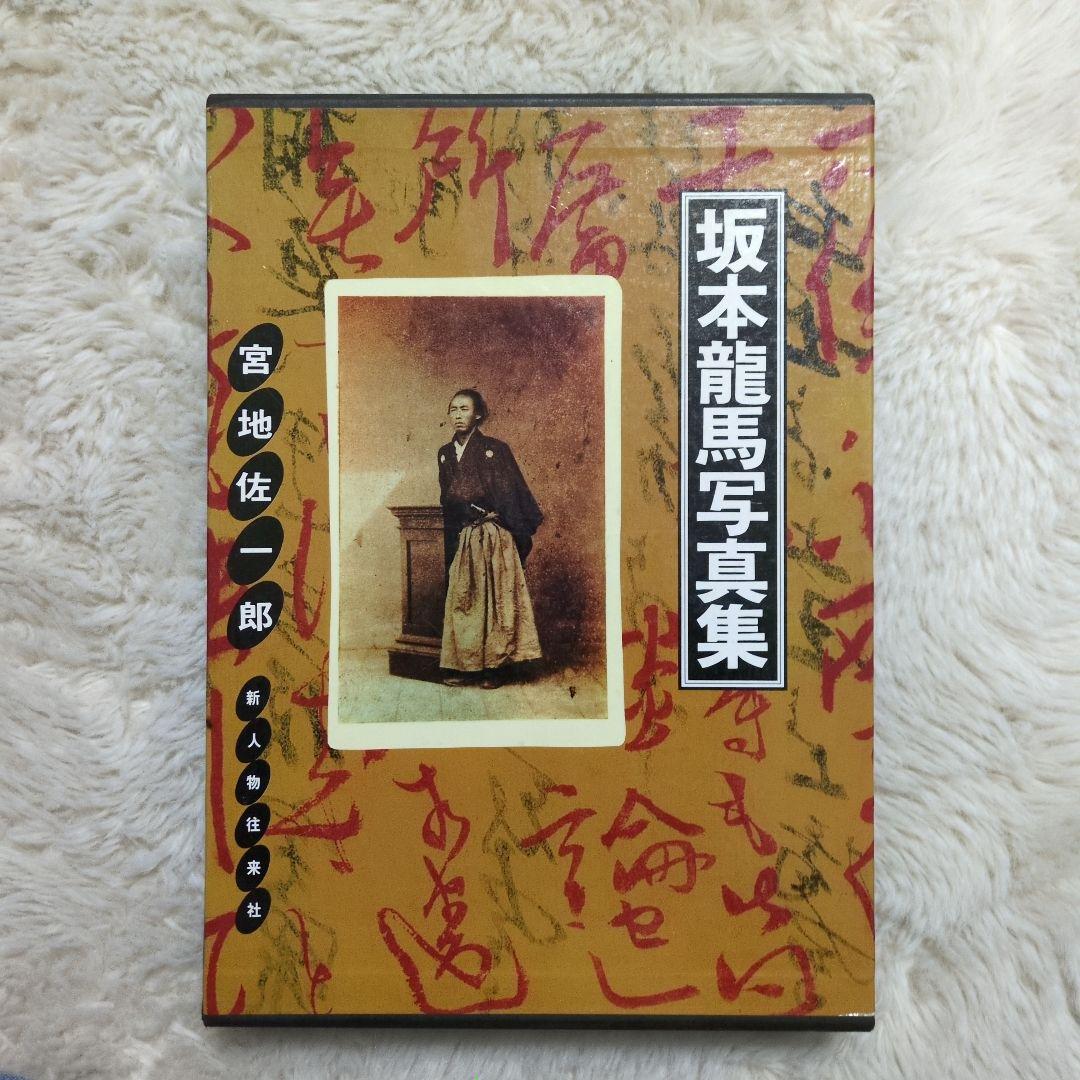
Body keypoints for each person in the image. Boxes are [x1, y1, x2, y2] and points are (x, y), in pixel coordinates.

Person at [436, 389, 543, 688]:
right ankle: (466, 665)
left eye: (465, 409)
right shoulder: (444, 453)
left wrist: (511, 528)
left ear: (478, 414)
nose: (458, 415)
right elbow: (446, 498)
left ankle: (495, 667)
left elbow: (513, 493)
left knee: (498, 600)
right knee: (466, 599)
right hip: (466, 535)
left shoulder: (495, 449)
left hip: (494, 534)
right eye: (453, 409)